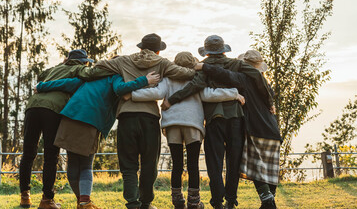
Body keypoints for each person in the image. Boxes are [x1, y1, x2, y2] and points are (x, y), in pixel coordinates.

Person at [161, 35, 273, 209]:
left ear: (206, 51)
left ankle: (217, 202)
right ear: (223, 49)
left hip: (214, 120)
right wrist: (269, 102)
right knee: (233, 162)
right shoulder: (236, 65)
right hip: (236, 118)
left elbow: (195, 86)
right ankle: (230, 200)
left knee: (214, 163)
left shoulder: (203, 68)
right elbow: (257, 77)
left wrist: (172, 100)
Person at [128, 52, 244, 209]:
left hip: (173, 124)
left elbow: (156, 93)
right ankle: (194, 201)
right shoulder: (197, 78)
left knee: (177, 164)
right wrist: (234, 94)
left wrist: (132, 94)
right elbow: (210, 95)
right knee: (193, 165)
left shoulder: (168, 79)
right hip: (192, 124)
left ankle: (177, 200)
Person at [95, 33, 197, 209]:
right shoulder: (162, 63)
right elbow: (186, 73)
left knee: (128, 164)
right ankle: (146, 202)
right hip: (149, 118)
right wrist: (198, 67)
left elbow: (99, 66)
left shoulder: (123, 61)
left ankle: (132, 203)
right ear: (158, 50)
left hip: (126, 117)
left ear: (140, 47)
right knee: (149, 163)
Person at [36, 68, 160, 209]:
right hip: (90, 119)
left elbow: (66, 83)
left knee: (73, 163)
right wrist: (145, 80)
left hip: (70, 116)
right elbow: (121, 89)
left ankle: (82, 201)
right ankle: (84, 202)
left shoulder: (91, 77)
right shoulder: (116, 77)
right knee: (86, 165)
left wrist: (40, 86)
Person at [19, 49, 113, 209]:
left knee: (28, 153)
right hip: (52, 109)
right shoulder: (78, 69)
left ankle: (25, 198)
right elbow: (90, 74)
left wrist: (61, 65)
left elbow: (42, 74)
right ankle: (47, 200)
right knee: (51, 155)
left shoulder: (55, 69)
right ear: (83, 62)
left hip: (32, 107)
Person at [196, 50, 282, 209]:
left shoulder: (242, 79)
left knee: (257, 167)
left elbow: (224, 75)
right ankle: (267, 201)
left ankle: (267, 200)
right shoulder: (266, 84)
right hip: (273, 130)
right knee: (270, 171)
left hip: (255, 129)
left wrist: (203, 66)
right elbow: (269, 99)